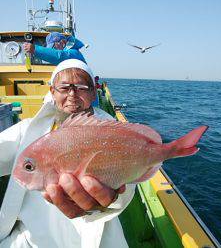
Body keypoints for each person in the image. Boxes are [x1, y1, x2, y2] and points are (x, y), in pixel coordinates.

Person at [0, 59, 135, 247]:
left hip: (94, 236)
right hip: (32, 237)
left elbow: (128, 184)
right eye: (64, 88)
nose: (72, 95)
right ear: (52, 92)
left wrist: (115, 196)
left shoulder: (110, 131)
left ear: (93, 92)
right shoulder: (27, 130)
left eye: (81, 87)